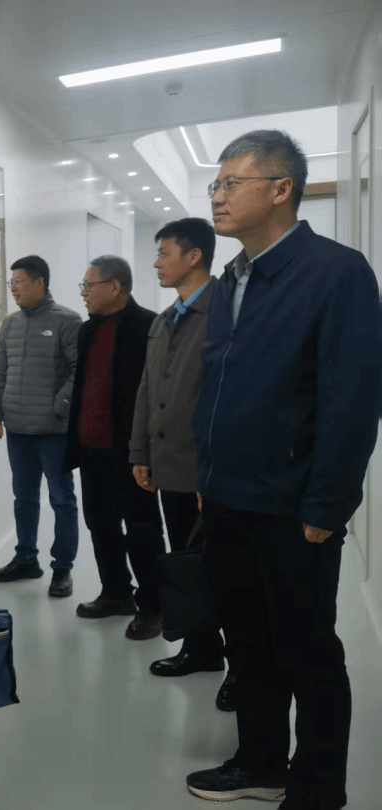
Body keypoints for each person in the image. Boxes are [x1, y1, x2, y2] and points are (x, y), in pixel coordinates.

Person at [185, 130, 380, 810]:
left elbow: (352, 401)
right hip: (227, 499)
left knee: (308, 652)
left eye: (230, 183)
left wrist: (327, 506)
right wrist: (207, 478)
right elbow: (217, 389)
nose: (217, 196)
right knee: (247, 645)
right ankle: (261, 763)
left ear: (280, 189)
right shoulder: (230, 280)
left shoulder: (337, 272)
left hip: (293, 508)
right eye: (214, 184)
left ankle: (319, 787)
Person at [129, 218, 236, 712]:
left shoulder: (225, 312)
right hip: (170, 466)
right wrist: (140, 452)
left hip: (209, 473)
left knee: (227, 570)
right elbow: (147, 390)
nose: (156, 263)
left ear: (194, 257)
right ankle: (202, 648)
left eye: (164, 253)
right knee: (187, 565)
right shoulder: (163, 320)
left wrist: (214, 469)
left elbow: (228, 397)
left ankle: (243, 667)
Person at [65, 255, 165, 640]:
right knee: (101, 524)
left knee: (142, 530)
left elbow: (155, 394)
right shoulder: (87, 330)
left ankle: (154, 605)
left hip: (131, 452)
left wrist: (147, 451)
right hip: (92, 449)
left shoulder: (149, 326)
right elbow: (83, 387)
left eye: (89, 285)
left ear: (115, 287)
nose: (84, 293)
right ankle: (116, 592)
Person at [0, 255, 82, 597]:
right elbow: (0, 371)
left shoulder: (67, 320)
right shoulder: (10, 324)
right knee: (24, 497)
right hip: (17, 429)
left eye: (19, 282)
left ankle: (63, 568)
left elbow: (80, 370)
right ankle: (26, 559)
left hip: (53, 432)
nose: (13, 289)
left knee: (61, 499)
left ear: (40, 282)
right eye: (11, 283)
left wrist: (60, 405)